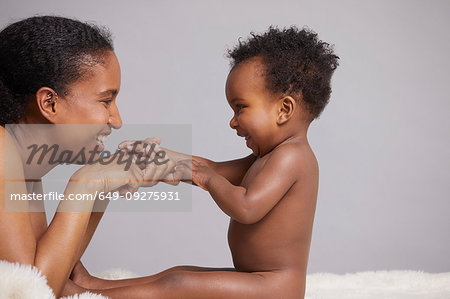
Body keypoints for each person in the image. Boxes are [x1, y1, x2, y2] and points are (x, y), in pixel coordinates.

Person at [75, 26, 339, 298]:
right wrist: (161, 158)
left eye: (240, 107)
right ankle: (93, 285)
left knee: (178, 286)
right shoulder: (269, 156)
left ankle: (83, 295)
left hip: (273, 288)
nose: (233, 121)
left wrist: (207, 179)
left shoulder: (292, 157)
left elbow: (246, 206)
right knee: (178, 274)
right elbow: (214, 168)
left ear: (283, 110)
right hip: (256, 280)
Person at [0, 16, 175, 297]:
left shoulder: (25, 165)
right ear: (50, 103)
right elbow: (29, 292)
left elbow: (58, 277)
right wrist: (87, 182)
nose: (117, 120)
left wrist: (102, 186)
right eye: (106, 101)